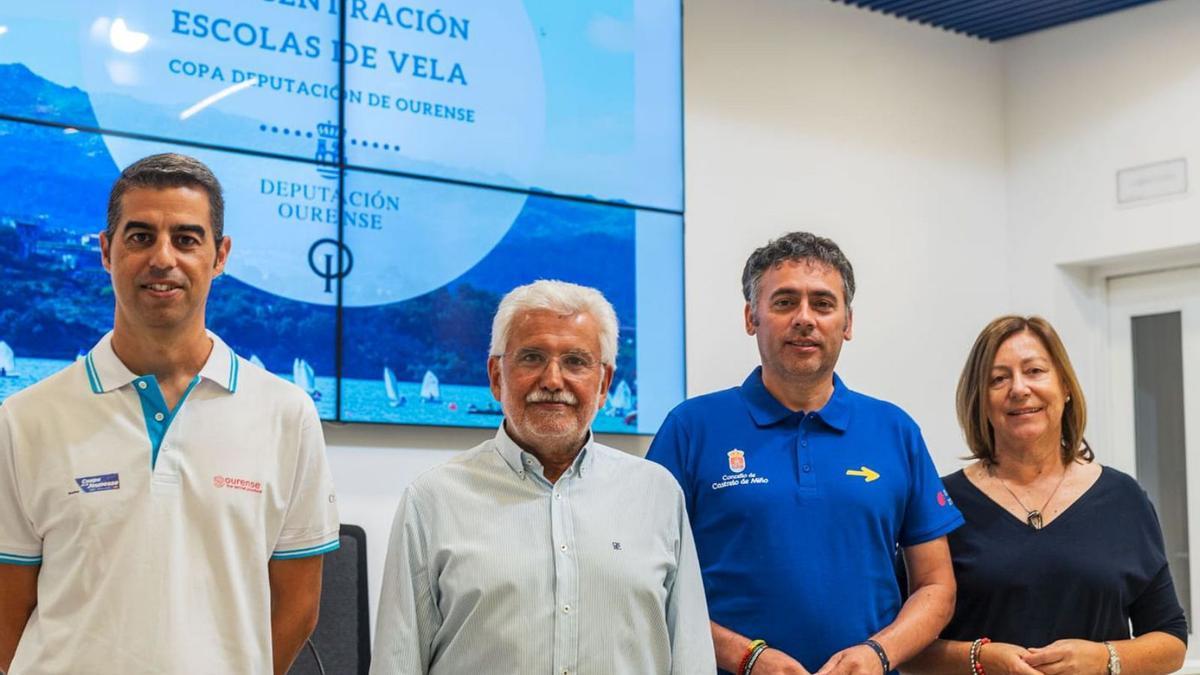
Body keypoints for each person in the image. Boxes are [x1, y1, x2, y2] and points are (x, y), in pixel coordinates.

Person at [0, 154, 339, 675]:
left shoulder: (287, 415)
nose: (163, 258)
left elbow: (298, 605)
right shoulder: (24, 420)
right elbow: (6, 612)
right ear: (106, 251)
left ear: (220, 255)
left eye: (186, 239)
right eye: (139, 237)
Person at [647, 231, 963, 675]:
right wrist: (747, 657)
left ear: (847, 323)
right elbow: (648, 581)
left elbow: (936, 586)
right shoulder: (691, 428)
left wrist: (877, 654)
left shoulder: (895, 431)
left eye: (822, 303)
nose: (804, 318)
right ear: (751, 317)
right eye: (783, 302)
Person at [370, 280, 715, 675]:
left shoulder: (658, 494)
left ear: (603, 384)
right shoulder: (432, 500)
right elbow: (396, 662)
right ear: (496, 376)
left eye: (575, 361)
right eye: (532, 358)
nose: (553, 380)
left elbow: (692, 658)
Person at [907, 316, 1187, 675]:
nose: (1019, 389)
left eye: (1035, 371)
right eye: (998, 378)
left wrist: (1103, 659)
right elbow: (907, 647)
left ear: (1065, 387)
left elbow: (1171, 640)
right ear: (981, 400)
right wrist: (979, 659)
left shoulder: (1124, 499)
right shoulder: (940, 503)